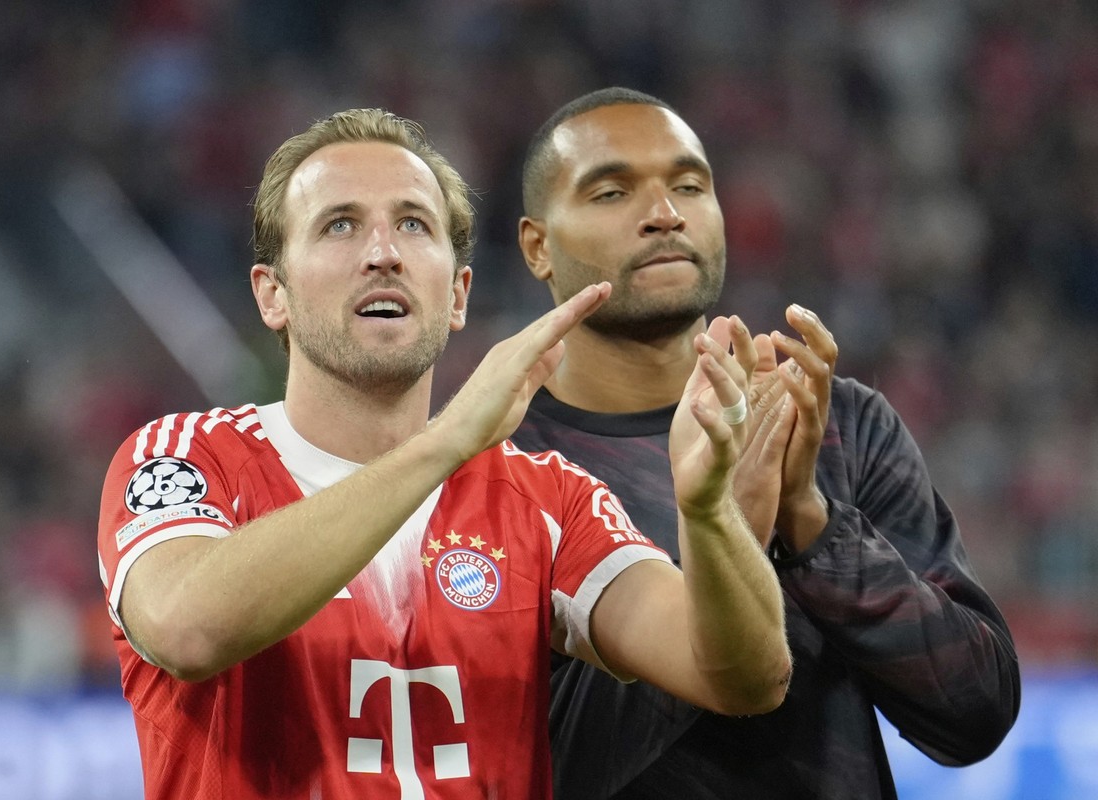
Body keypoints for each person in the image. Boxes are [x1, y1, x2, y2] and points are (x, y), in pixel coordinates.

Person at [96, 107, 792, 799]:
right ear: (272, 294)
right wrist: (446, 442)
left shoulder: (548, 498)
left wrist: (708, 512)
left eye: (413, 224)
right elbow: (187, 630)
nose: (383, 253)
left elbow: (741, 678)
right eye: (340, 224)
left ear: (457, 294)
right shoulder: (186, 457)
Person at [511, 87, 1021, 800]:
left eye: (690, 185)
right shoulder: (500, 473)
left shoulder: (837, 424)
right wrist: (732, 524)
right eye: (611, 192)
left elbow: (976, 714)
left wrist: (809, 519)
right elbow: (531, 772)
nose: (665, 213)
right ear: (538, 245)